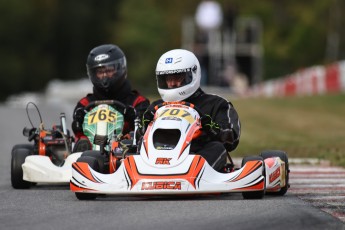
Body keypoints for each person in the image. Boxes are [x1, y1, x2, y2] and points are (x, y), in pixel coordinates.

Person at [141, 49, 240, 172]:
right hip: (156, 156)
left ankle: (194, 174)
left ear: (192, 74)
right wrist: (143, 124)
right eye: (167, 78)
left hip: (196, 157)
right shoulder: (156, 107)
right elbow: (140, 135)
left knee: (217, 148)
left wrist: (210, 127)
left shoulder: (216, 104)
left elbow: (232, 140)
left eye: (177, 77)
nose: (171, 83)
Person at [72, 44, 150, 152]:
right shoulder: (85, 104)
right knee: (82, 142)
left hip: (124, 154)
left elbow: (145, 130)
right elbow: (78, 133)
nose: (104, 76)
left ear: (120, 69)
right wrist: (78, 124)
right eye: (100, 72)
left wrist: (133, 118)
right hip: (90, 155)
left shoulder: (138, 102)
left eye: (109, 70)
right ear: (93, 74)